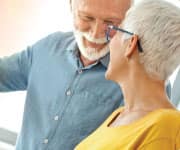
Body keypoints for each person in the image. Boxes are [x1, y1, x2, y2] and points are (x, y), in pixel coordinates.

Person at [0, 0, 132, 149]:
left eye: (110, 23)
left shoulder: (133, 78)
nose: (96, 33)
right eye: (87, 18)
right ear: (71, 6)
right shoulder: (49, 47)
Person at [75, 0, 180, 149]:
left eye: (116, 31)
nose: (109, 42)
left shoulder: (166, 127)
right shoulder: (119, 115)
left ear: (131, 44)